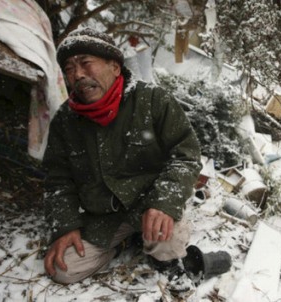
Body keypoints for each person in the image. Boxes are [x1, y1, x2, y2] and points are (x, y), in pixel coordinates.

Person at [42, 27, 202, 284]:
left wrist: (163, 204)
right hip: (102, 217)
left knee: (168, 245)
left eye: (85, 63)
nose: (78, 75)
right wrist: (66, 225)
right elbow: (57, 178)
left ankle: (152, 240)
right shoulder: (65, 121)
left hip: (150, 204)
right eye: (70, 68)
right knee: (63, 269)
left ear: (115, 67)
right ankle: (123, 243)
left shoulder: (153, 100)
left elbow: (186, 154)